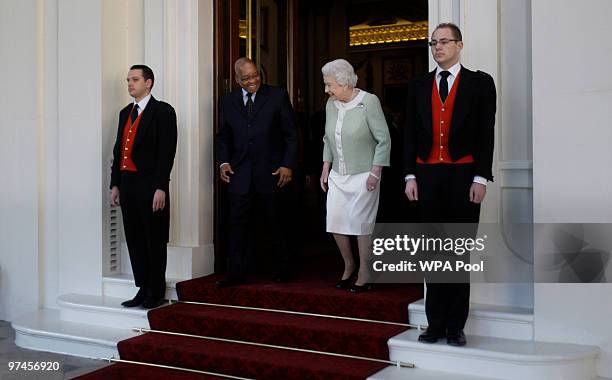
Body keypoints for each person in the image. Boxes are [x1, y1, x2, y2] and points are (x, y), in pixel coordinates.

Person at [403, 23, 496, 346]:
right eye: (433, 43)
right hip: (427, 176)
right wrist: (410, 175)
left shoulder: (480, 84)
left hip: (463, 176)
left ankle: (456, 325)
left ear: (460, 44)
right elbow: (410, 135)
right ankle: (435, 323)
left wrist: (481, 176)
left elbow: (486, 133)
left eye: (444, 42)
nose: (437, 47)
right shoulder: (418, 85)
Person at [216, 57, 298, 287]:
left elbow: (291, 134)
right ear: (236, 79)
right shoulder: (228, 101)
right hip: (240, 172)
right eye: (246, 78)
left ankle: (282, 269)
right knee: (237, 222)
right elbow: (223, 136)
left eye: (256, 76)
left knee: (276, 221)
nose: (253, 81)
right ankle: (236, 273)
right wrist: (223, 163)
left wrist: (287, 164)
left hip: (271, 170)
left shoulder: (277, 95)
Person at [320, 59, 391, 293]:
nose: (326, 90)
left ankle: (365, 271)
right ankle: (349, 265)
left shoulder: (368, 102)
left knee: (361, 224)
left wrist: (375, 171)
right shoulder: (332, 104)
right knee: (336, 220)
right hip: (338, 174)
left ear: (345, 83)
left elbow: (384, 139)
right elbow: (328, 138)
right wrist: (325, 167)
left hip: (365, 174)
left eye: (330, 85)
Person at [110, 64, 178, 309]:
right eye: (128, 79)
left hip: (150, 186)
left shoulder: (163, 111)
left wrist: (161, 187)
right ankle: (142, 288)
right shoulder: (125, 112)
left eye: (135, 79)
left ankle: (155, 290)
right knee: (135, 237)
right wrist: (115, 184)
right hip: (128, 184)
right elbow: (119, 151)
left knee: (154, 238)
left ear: (148, 83)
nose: (130, 84)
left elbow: (166, 153)